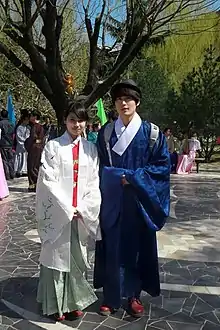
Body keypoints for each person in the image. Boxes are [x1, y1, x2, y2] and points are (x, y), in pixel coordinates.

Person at [94, 79, 170, 318]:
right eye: (118, 99)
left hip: (139, 201)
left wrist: (134, 178)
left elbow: (162, 166)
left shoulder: (152, 133)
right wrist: (117, 178)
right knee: (112, 248)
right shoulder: (106, 132)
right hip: (114, 201)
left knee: (137, 249)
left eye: (128, 99)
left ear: (137, 102)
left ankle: (134, 295)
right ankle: (111, 296)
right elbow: (99, 166)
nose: (123, 103)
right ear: (114, 104)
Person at [36, 102, 101, 321]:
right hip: (60, 211)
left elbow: (93, 182)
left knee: (76, 258)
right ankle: (55, 303)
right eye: (72, 119)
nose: (76, 124)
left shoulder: (91, 150)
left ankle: (74, 301)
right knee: (56, 257)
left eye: (80, 120)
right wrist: (66, 207)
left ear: (86, 123)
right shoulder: (53, 147)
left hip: (80, 213)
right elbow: (47, 180)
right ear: (65, 120)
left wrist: (83, 208)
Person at [24, 111, 44, 192]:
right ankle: (36, 184)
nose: (30, 118)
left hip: (34, 148)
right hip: (38, 147)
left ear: (35, 117)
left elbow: (33, 138)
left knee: (32, 166)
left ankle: (33, 184)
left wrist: (27, 144)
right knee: (35, 165)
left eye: (32, 116)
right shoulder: (39, 126)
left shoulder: (35, 126)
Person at [14, 112, 30, 177]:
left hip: (26, 145)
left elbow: (28, 136)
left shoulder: (28, 127)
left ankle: (25, 171)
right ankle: (19, 170)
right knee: (20, 157)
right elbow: (18, 137)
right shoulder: (19, 127)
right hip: (20, 145)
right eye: (26, 120)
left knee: (25, 158)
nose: (27, 121)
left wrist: (27, 141)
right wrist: (23, 142)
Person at [0, 110, 15, 180]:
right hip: (10, 143)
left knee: (5, 160)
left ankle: (7, 175)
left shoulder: (0, 123)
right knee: (11, 159)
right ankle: (12, 174)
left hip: (3, 143)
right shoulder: (11, 123)